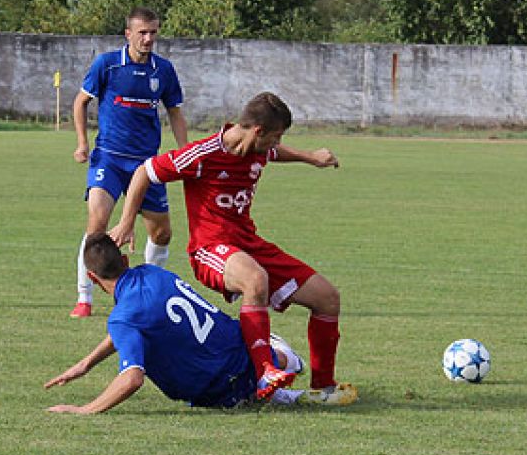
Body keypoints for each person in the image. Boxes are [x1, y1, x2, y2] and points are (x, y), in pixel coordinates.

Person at [110, 91, 358, 406]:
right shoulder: (202, 155)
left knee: (327, 298)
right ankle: (264, 372)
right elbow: (145, 171)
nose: (276, 143)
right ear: (258, 131)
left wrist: (311, 157)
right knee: (255, 280)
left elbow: (274, 153)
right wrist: (127, 221)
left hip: (249, 243)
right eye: (275, 136)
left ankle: (323, 389)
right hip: (210, 248)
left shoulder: (257, 148)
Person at [44, 233, 310, 413]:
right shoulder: (153, 272)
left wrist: (83, 410)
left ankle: (280, 366)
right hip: (245, 358)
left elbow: (132, 379)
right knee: (259, 351)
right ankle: (281, 365)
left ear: (91, 278)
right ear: (125, 260)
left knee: (250, 376)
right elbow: (135, 327)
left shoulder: (124, 318)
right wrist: (86, 364)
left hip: (219, 395)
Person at [69, 6, 188, 318]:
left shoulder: (163, 70)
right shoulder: (107, 65)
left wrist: (186, 153)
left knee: (162, 233)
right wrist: (82, 143)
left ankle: (145, 290)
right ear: (128, 34)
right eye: (142, 33)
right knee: (97, 223)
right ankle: (85, 297)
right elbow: (80, 103)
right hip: (108, 157)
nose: (148, 39)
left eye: (153, 33)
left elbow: (175, 112)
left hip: (147, 165)